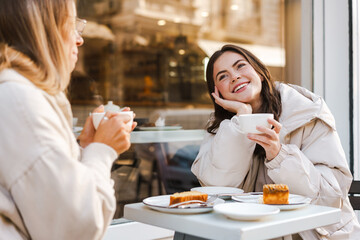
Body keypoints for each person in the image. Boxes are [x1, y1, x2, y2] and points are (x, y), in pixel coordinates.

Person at [191, 44, 360, 239]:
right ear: (217, 92)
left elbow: (331, 194)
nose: (235, 76)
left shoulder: (307, 113)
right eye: (223, 76)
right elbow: (217, 187)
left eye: (240, 66)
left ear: (260, 73)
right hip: (252, 233)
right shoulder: (221, 128)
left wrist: (279, 155)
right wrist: (241, 120)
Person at [0, 0, 136, 239]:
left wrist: (83, 149)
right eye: (72, 25)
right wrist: (103, 150)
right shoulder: (20, 100)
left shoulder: (18, 95)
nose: (79, 39)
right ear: (43, 30)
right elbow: (77, 228)